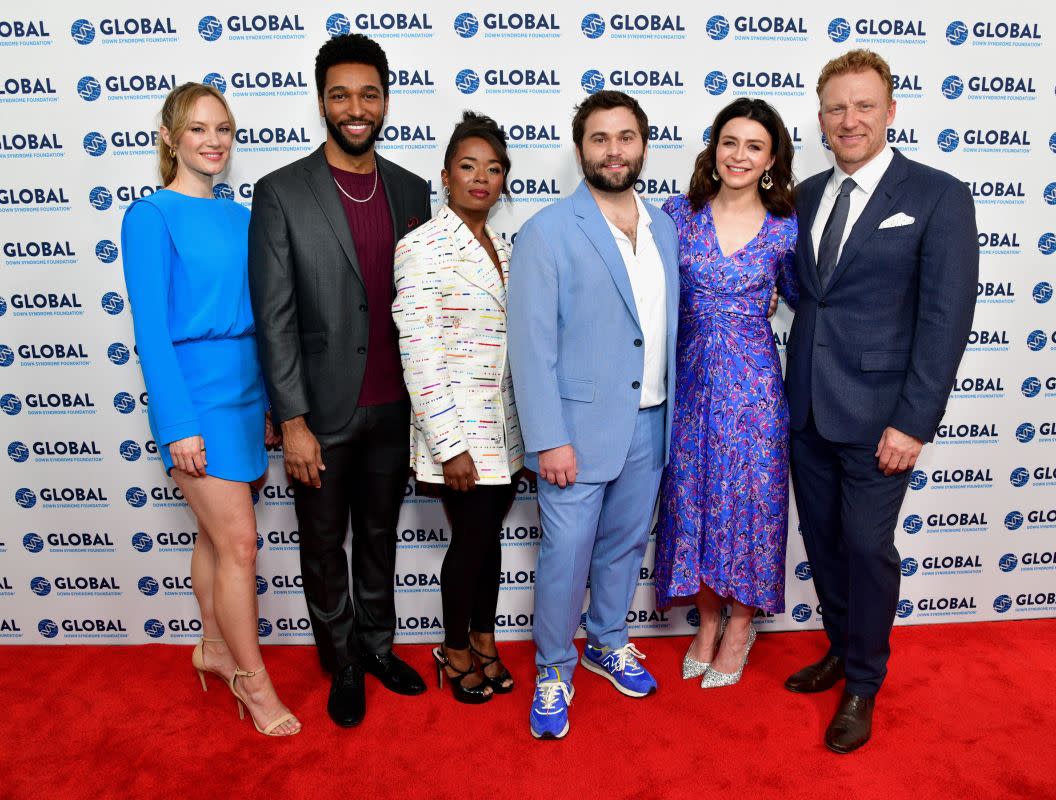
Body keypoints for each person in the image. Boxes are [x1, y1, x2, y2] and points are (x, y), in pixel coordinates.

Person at [784, 50, 977, 753]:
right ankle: (840, 647)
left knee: (867, 548)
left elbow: (945, 318)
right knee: (826, 546)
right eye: (837, 108)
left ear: (890, 112)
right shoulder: (803, 194)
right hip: (805, 409)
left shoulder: (937, 194)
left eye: (864, 105)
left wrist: (913, 421)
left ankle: (864, 681)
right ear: (822, 118)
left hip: (881, 418)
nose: (850, 119)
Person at [248, 33, 430, 728]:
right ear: (322, 101)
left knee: (379, 536)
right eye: (341, 95)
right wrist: (291, 419)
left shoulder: (413, 190)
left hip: (396, 408)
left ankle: (379, 647)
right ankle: (342, 661)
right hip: (319, 413)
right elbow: (275, 316)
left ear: (386, 100)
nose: (356, 108)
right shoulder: (281, 192)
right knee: (324, 547)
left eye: (369, 94)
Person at [121, 83, 300, 736]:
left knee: (215, 539)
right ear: (170, 138)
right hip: (193, 395)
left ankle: (215, 648)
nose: (214, 141)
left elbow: (260, 321)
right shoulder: (150, 216)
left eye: (223, 128)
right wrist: (179, 424)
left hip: (246, 392)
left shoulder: (242, 217)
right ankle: (253, 686)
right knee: (241, 544)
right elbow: (151, 332)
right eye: (198, 129)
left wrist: (271, 407)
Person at [508, 91, 679, 740]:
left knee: (624, 547)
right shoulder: (549, 230)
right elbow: (530, 346)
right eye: (601, 138)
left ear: (642, 144)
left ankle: (609, 642)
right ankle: (554, 669)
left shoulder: (663, 224)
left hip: (652, 421)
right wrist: (548, 438)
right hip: (574, 434)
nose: (614, 150)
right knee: (567, 555)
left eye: (626, 137)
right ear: (580, 148)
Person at [654, 98, 798, 689]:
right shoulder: (676, 215)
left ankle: (741, 625)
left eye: (754, 146)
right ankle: (706, 621)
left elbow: (799, 299)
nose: (739, 155)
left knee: (751, 507)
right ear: (714, 149)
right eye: (730, 142)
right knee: (696, 503)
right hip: (688, 386)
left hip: (755, 391)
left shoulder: (786, 229)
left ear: (771, 160)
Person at [392, 112, 524, 704]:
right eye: (469, 167)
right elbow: (419, 352)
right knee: (470, 542)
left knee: (488, 540)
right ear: (445, 176)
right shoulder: (420, 246)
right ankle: (452, 648)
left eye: (494, 169)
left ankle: (483, 638)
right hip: (459, 434)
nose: (481, 178)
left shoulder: (505, 243)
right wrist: (450, 446)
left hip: (504, 430)